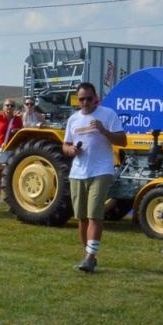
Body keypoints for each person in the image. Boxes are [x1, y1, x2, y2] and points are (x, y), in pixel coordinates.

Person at [62, 81, 128, 273]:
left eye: (89, 99)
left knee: (94, 215)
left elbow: (123, 141)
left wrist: (104, 131)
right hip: (78, 172)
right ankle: (88, 255)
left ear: (95, 97)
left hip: (101, 170)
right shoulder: (73, 120)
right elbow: (65, 145)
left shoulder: (108, 114)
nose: (85, 103)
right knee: (82, 218)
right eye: (81, 99)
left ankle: (90, 257)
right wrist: (71, 150)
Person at [0, 98, 23, 206]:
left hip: (12, 150)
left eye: (12, 106)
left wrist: (17, 131)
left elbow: (22, 133)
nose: (9, 107)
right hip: (0, 149)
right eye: (7, 105)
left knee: (12, 175)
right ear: (3, 107)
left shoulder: (18, 120)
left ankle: (11, 199)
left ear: (14, 108)